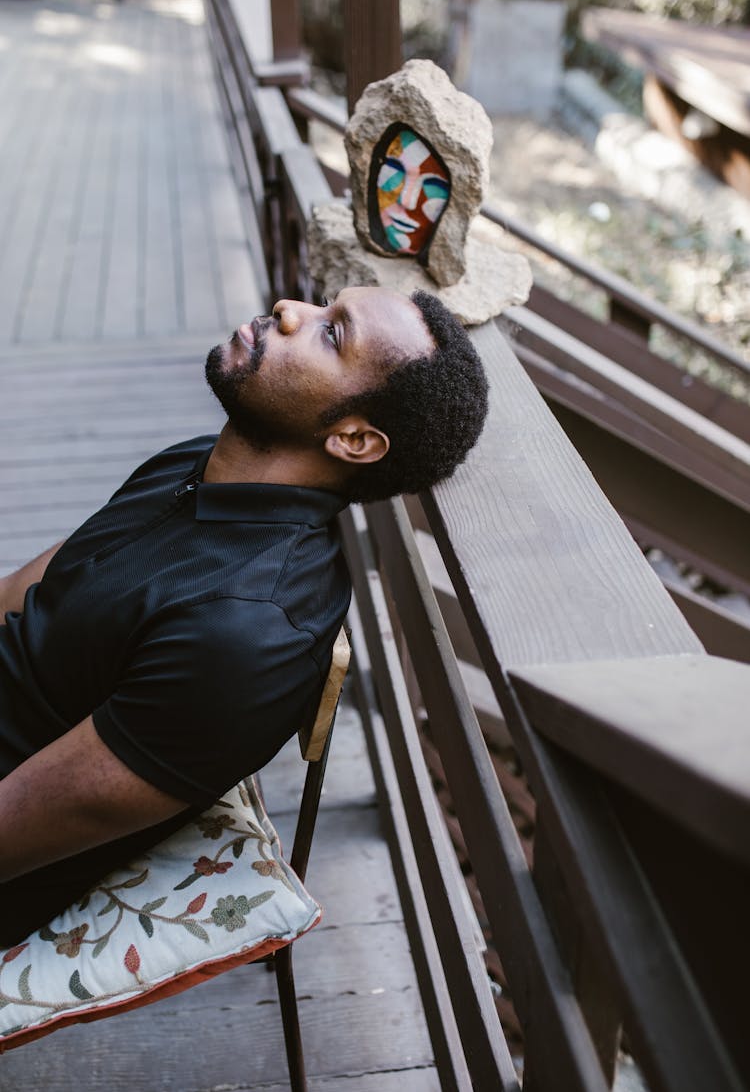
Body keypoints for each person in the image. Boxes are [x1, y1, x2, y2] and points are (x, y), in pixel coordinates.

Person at [0, 285, 489, 944]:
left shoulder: (245, 633)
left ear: (352, 438)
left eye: (330, 335)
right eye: (323, 305)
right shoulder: (201, 461)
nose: (289, 309)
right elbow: (26, 593)